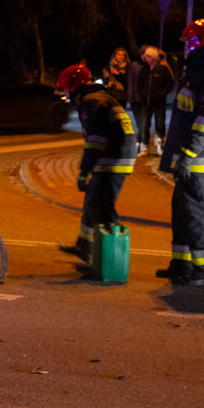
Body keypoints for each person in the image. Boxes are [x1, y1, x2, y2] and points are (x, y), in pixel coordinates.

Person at [156, 18, 204, 289]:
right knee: (182, 213)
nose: (187, 46)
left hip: (201, 162)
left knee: (198, 215)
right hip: (190, 159)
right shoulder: (200, 70)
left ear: (202, 41)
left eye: (190, 41)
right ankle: (182, 264)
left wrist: (189, 153)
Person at [55, 63, 138, 263]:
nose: (64, 93)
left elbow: (94, 142)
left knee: (102, 207)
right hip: (116, 155)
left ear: (74, 84)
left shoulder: (90, 101)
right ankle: (84, 246)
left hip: (113, 158)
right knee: (93, 201)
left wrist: (84, 172)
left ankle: (113, 260)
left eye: (65, 88)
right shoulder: (97, 98)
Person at [141, 46, 174, 156]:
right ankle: (145, 146)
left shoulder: (163, 70)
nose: (146, 58)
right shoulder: (144, 70)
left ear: (154, 58)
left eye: (148, 56)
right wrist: (142, 95)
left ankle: (160, 145)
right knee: (145, 123)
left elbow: (170, 84)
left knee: (160, 123)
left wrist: (161, 94)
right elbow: (139, 84)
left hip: (159, 102)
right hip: (146, 102)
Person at [127, 46, 150, 155]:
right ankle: (140, 143)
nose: (144, 57)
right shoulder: (134, 66)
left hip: (146, 99)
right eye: (143, 54)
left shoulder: (150, 66)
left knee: (144, 122)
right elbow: (131, 82)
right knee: (139, 123)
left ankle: (142, 144)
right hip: (136, 99)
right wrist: (130, 96)